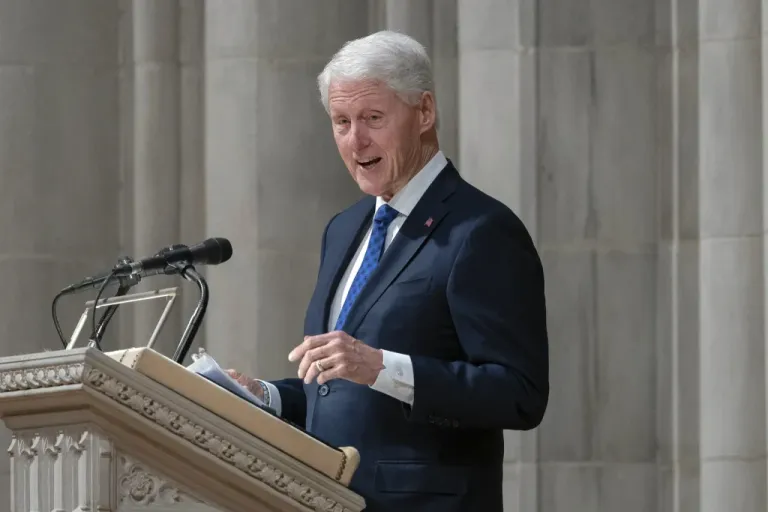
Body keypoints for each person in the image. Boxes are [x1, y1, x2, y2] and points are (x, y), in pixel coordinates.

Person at [228, 30, 549, 511]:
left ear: (424, 112)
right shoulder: (344, 228)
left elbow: (519, 394)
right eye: (341, 122)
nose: (356, 140)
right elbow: (344, 391)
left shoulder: (481, 230)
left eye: (372, 118)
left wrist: (382, 366)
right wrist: (267, 396)